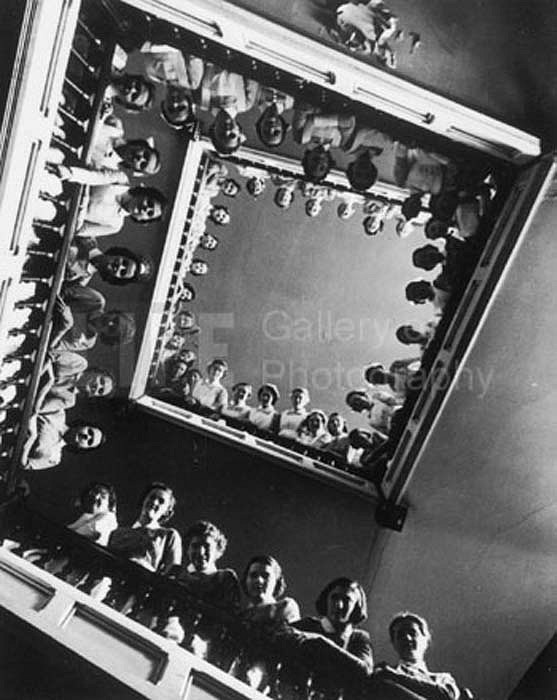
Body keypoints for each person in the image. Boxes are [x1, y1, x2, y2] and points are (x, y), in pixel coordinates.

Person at [294, 577, 374, 675]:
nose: (339, 605)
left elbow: (365, 672)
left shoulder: (359, 638)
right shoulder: (306, 625)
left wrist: (324, 644)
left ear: (356, 608)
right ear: (326, 599)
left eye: (346, 600)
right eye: (334, 597)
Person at [375, 612, 462, 699]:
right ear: (393, 643)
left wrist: (394, 676)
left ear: (426, 640)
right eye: (400, 635)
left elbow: (447, 695)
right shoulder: (383, 676)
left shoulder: (442, 678)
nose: (407, 638)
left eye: (413, 633)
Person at [109, 482, 182, 575]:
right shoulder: (117, 532)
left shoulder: (169, 535)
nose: (154, 502)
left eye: (161, 501)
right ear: (144, 500)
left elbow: (172, 573)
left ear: (167, 512)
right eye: (152, 497)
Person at [174, 520, 241, 611]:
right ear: (187, 550)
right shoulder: (178, 576)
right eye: (195, 546)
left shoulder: (225, 579)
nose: (201, 552)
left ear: (218, 551)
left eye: (207, 546)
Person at [21, 417, 106, 470]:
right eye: (90, 432)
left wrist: (32, 438)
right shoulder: (59, 414)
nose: (87, 437)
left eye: (89, 442)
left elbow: (25, 464)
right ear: (83, 425)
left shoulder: (55, 458)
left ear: (83, 448)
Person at [65, 240, 153, 287]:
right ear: (120, 254)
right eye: (125, 263)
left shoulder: (79, 281)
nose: (119, 267)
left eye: (123, 272)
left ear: (117, 279)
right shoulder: (88, 239)